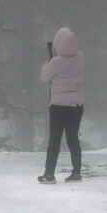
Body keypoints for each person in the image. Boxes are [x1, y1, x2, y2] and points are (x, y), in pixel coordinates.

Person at [38, 26, 84, 184]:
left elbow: (44, 77)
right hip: (76, 104)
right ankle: (76, 172)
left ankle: (49, 173)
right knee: (73, 138)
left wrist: (47, 60)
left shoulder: (56, 62)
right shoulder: (80, 57)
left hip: (58, 106)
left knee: (55, 140)